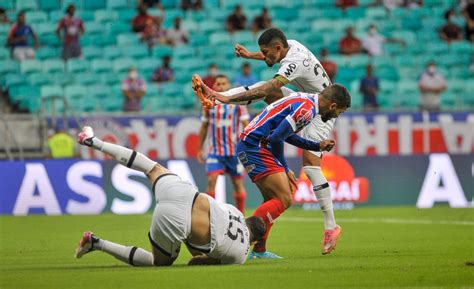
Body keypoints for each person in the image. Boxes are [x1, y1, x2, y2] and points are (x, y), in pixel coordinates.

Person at [191, 28, 348, 258]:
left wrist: (226, 97)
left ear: (278, 48)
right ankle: (252, 244)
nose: (264, 57)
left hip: (322, 107)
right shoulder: (288, 44)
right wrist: (250, 56)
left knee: (310, 166)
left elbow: (271, 89)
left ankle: (330, 226)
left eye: (266, 53)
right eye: (262, 53)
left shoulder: (295, 63)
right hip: (306, 101)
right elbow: (279, 135)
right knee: (281, 198)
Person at [75, 126, 266, 266]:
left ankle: (94, 142)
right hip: (177, 221)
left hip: (185, 193)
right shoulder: (240, 255)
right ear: (254, 241)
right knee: (158, 262)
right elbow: (195, 262)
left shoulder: (236, 212)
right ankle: (96, 243)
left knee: (151, 167)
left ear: (247, 219)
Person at [197, 75, 250, 213]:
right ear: (214, 86)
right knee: (211, 181)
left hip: (234, 152)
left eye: (223, 83)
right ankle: (210, 215)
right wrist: (199, 149)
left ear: (229, 86)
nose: (220, 86)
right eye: (217, 83)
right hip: (215, 151)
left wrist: (249, 146)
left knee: (238, 184)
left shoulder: (238, 104)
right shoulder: (208, 104)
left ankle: (241, 215)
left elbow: (247, 125)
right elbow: (204, 127)